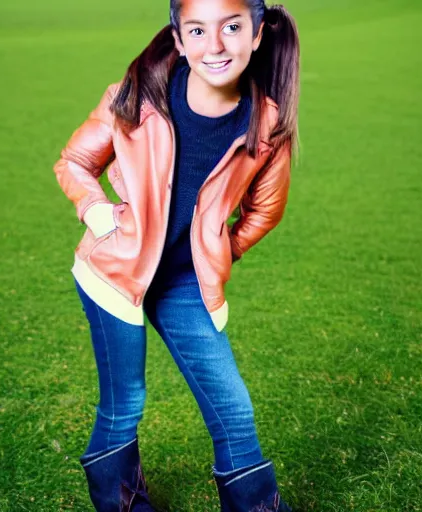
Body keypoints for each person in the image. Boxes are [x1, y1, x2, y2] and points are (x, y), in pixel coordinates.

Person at [53, 0, 300, 510]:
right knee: (124, 406)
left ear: (256, 36)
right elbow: (75, 162)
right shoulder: (139, 94)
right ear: (179, 37)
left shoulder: (267, 124)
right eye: (198, 29)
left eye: (232, 27)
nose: (215, 45)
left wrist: (219, 251)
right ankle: (124, 503)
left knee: (233, 408)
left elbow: (265, 212)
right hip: (115, 272)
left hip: (186, 282)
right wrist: (98, 213)